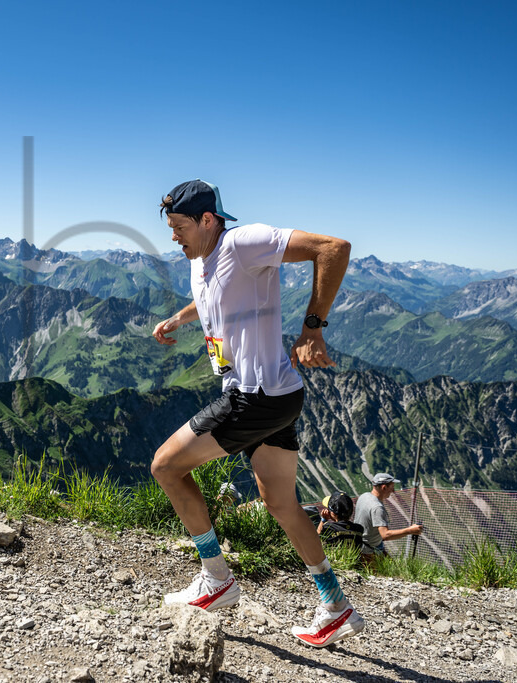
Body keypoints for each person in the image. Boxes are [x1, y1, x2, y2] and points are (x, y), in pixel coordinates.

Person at [151, 179, 361, 648]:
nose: (173, 237)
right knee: (282, 504)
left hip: (256, 396)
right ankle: (335, 605)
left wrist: (313, 328)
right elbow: (212, 299)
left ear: (208, 220)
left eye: (179, 227)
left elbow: (333, 248)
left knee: (165, 466)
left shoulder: (243, 243)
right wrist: (179, 321)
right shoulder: (200, 260)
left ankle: (216, 578)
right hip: (281, 395)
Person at [354, 473, 423, 564]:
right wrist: (410, 530)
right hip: (369, 550)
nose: (393, 491)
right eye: (392, 487)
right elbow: (385, 535)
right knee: (380, 574)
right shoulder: (377, 507)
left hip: (363, 544)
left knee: (392, 567)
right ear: (384, 487)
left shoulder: (364, 496)